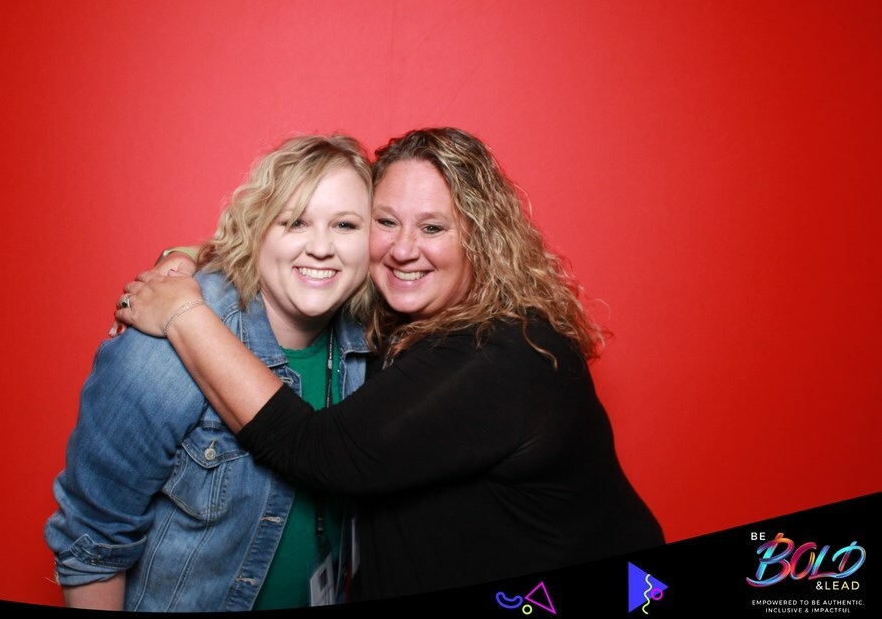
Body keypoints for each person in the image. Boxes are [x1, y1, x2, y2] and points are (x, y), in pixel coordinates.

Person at [118, 127, 664, 600]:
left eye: (433, 228)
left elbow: (319, 451)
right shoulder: (395, 316)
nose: (404, 249)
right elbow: (298, 243)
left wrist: (184, 314)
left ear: (482, 239)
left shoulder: (503, 351)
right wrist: (184, 258)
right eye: (386, 221)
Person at [44, 134, 375, 611]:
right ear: (258, 227)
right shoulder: (162, 345)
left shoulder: (374, 340)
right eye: (295, 222)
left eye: (345, 225)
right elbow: (91, 542)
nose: (321, 247)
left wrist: (181, 253)